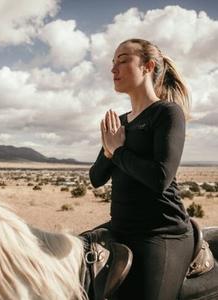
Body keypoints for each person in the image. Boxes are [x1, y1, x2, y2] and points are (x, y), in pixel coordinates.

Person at [89, 38, 194, 300]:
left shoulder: (167, 113)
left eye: (122, 60)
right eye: (112, 62)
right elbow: (96, 178)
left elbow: (160, 178)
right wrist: (108, 149)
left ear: (147, 66)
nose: (114, 69)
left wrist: (119, 151)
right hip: (121, 228)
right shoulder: (121, 122)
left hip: (161, 234)